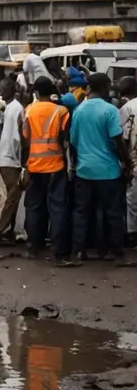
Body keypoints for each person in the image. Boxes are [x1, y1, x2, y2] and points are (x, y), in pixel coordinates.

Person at [69, 72, 131, 264]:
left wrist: (76, 164)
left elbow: (73, 141)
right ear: (104, 88)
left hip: (84, 170)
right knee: (113, 212)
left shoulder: (79, 110)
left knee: (82, 211)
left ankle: (79, 250)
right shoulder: (110, 110)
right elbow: (116, 138)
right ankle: (116, 252)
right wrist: (126, 161)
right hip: (108, 170)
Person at [20, 76, 71, 263]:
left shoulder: (28, 111)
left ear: (35, 92)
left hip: (34, 166)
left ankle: (34, 247)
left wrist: (25, 165)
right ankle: (59, 251)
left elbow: (25, 140)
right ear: (52, 91)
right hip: (56, 165)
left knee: (34, 208)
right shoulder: (62, 111)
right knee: (57, 208)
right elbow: (64, 139)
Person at [0, 78, 24, 245]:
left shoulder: (14, 108)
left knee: (10, 197)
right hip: (9, 158)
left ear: (11, 90)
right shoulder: (13, 108)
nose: (1, 93)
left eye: (3, 89)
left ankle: (4, 232)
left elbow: (16, 137)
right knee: (11, 197)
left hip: (9, 157)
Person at [119, 76, 137, 246]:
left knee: (132, 202)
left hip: (134, 162)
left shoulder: (127, 109)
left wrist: (124, 163)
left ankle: (132, 236)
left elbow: (122, 137)